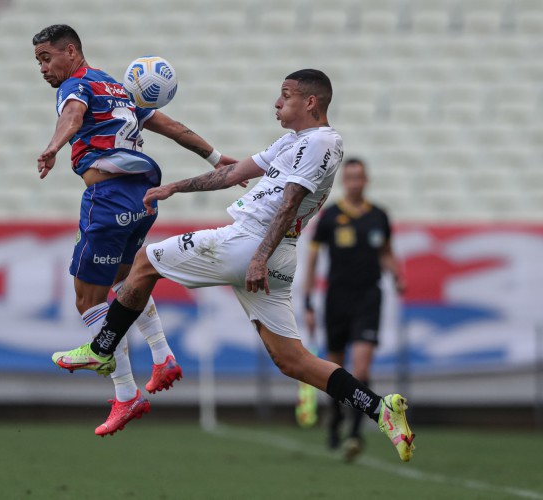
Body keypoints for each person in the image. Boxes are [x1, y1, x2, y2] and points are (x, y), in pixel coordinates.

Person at [52, 69, 416, 462]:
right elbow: (233, 174)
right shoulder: (293, 141)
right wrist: (175, 186)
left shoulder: (322, 142)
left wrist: (258, 257)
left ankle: (103, 348)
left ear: (310, 102)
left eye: (286, 95)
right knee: (292, 360)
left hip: (249, 244)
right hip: (273, 253)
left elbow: (291, 200)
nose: (278, 102)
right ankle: (380, 409)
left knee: (144, 262)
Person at [33, 24, 236, 436]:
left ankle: (124, 393)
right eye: (38, 61)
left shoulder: (76, 86)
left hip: (107, 200)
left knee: (87, 299)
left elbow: (72, 115)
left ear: (71, 52)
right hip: (144, 199)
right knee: (127, 281)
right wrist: (216, 157)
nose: (42, 68)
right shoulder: (117, 88)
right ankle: (162, 356)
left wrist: (53, 147)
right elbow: (173, 127)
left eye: (46, 58)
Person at [303, 157, 406, 462]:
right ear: (344, 181)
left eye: (359, 177)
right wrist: (308, 301)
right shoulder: (331, 216)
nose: (355, 183)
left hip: (368, 298)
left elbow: (386, 253)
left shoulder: (379, 216)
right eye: (350, 178)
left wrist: (396, 273)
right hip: (336, 299)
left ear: (366, 180)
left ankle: (355, 432)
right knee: (335, 370)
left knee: (361, 369)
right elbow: (312, 261)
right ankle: (335, 417)